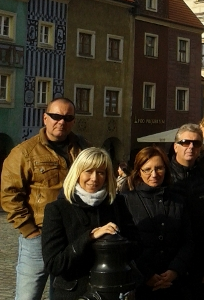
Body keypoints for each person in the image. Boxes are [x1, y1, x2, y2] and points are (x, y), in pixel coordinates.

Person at [1, 97, 89, 300]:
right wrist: (29, 230)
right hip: (38, 236)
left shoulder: (83, 149)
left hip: (72, 238)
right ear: (45, 118)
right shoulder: (24, 152)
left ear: (73, 121)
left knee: (64, 295)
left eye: (68, 117)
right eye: (56, 116)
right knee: (27, 295)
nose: (61, 122)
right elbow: (9, 194)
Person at [41, 148, 136, 300]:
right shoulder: (58, 209)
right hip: (73, 293)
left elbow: (134, 246)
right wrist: (89, 237)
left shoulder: (116, 204)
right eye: (88, 171)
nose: (94, 178)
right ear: (77, 172)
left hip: (111, 292)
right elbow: (54, 264)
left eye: (100, 172)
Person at [122, 146, 193, 299]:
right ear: (139, 171)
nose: (154, 174)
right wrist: (146, 275)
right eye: (147, 169)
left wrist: (175, 270)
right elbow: (125, 243)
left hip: (175, 283)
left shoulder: (178, 200)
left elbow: (188, 240)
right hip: (141, 285)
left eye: (159, 168)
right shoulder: (126, 200)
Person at [169, 123, 204, 300]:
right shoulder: (163, 175)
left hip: (198, 263)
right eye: (185, 142)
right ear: (175, 146)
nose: (191, 147)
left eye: (196, 143)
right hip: (169, 263)